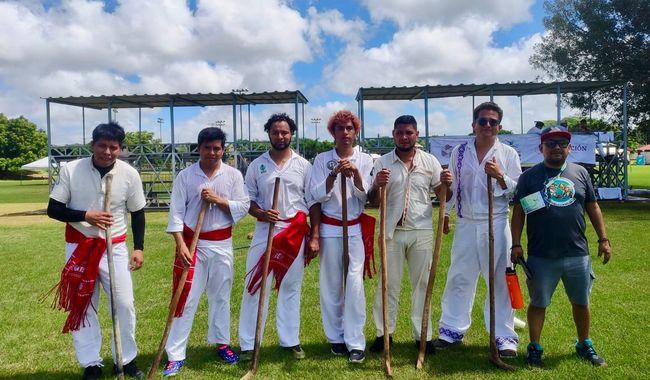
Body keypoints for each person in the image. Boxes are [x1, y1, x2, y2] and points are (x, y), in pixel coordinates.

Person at [47, 122, 146, 380]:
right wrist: (86, 215)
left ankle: (125, 360)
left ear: (120, 148)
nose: (108, 152)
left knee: (124, 304)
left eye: (114, 147)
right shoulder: (70, 169)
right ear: (92, 145)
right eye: (102, 145)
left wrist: (139, 248)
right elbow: (53, 209)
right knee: (83, 305)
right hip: (80, 244)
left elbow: (137, 213)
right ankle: (91, 363)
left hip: (115, 247)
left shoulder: (129, 173)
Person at [511, 126, 612, 368]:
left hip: (577, 252)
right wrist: (516, 243)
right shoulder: (529, 177)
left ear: (569, 148)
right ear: (541, 148)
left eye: (561, 143)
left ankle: (584, 343)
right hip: (541, 254)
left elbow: (593, 207)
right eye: (550, 143)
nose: (556, 147)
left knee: (580, 302)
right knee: (539, 303)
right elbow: (518, 213)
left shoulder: (580, 173)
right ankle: (534, 348)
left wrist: (603, 239)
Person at [435, 102, 522, 358]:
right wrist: (446, 214)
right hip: (466, 222)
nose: (487, 126)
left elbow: (517, 190)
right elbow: (453, 187)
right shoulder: (459, 152)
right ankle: (451, 329)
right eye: (482, 121)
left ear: (500, 127)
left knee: (499, 279)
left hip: (496, 220)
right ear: (473, 125)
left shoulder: (508, 154)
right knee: (459, 276)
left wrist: (499, 176)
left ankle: (504, 336)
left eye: (492, 122)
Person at [162, 127, 250, 377]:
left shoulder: (232, 175)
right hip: (192, 245)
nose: (212, 153)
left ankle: (222, 342)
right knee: (185, 298)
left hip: (221, 244)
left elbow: (243, 206)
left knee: (220, 296)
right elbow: (176, 212)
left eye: (217, 148)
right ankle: (175, 354)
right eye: (207, 148)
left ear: (223, 149)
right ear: (198, 148)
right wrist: (180, 244)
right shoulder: (186, 176)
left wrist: (218, 200)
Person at [367, 115, 452, 353]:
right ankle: (384, 334)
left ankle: (422, 335)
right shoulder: (382, 163)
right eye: (399, 133)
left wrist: (447, 183)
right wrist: (377, 185)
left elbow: (445, 196)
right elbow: (373, 202)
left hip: (421, 230)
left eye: (409, 133)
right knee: (387, 284)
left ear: (416, 135)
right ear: (393, 134)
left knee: (422, 285)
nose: (404, 137)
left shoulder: (430, 161)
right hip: (391, 231)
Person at [238, 113, 320, 361]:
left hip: (294, 231)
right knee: (254, 285)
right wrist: (261, 213)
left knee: (291, 287)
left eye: (285, 132)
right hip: (266, 230)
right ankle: (249, 344)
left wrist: (314, 236)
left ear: (291, 134)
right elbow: (247, 200)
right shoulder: (257, 165)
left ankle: (290, 341)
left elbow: (314, 202)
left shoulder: (304, 165)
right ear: (269, 134)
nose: (280, 136)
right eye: (275, 132)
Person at [309, 110, 374, 363]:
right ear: (333, 132)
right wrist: (333, 175)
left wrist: (356, 175)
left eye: (349, 128)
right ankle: (336, 337)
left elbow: (365, 195)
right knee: (332, 283)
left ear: (355, 131)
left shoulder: (366, 159)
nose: (345, 133)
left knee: (355, 284)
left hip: (354, 226)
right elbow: (315, 195)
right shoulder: (322, 159)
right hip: (330, 227)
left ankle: (356, 341)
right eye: (340, 129)